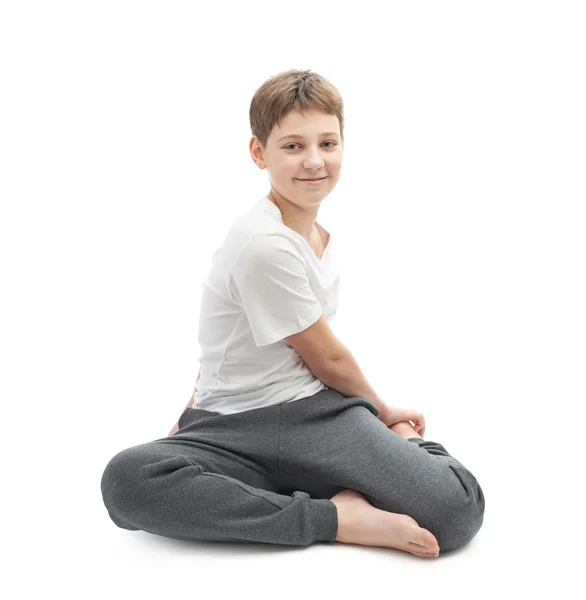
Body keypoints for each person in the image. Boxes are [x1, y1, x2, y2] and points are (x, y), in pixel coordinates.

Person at [100, 69, 485, 558]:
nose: (314, 161)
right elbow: (330, 359)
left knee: (456, 509)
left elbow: (249, 331)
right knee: (128, 481)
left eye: (327, 143)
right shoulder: (262, 242)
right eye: (292, 146)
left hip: (312, 416)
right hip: (229, 426)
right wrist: (384, 414)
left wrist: (392, 433)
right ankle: (338, 514)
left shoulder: (317, 236)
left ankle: (312, 483)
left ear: (344, 144)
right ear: (259, 152)